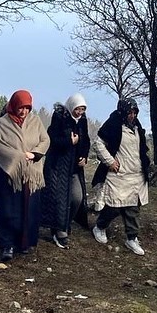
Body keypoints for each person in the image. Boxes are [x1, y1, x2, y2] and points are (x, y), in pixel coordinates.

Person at [0, 89, 49, 262]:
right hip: (9, 173)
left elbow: (45, 140)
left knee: (29, 209)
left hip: (30, 173)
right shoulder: (3, 123)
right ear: (14, 105)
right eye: (21, 107)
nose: (23, 111)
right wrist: (17, 157)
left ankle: (25, 242)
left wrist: (35, 153)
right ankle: (7, 244)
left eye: (27, 108)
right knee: (9, 209)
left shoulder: (36, 121)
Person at [91, 98, 150, 256]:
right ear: (122, 112)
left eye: (134, 112)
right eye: (129, 112)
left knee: (133, 208)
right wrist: (109, 161)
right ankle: (100, 227)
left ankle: (132, 238)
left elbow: (141, 149)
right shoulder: (114, 124)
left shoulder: (137, 127)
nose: (132, 115)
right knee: (114, 206)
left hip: (135, 175)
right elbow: (98, 143)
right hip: (118, 174)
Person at [42, 93, 90, 249]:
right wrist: (69, 141)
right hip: (58, 166)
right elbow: (52, 139)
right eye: (77, 109)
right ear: (71, 107)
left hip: (74, 167)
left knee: (77, 197)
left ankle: (65, 223)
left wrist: (84, 155)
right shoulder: (60, 117)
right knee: (59, 199)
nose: (80, 112)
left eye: (82, 109)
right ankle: (58, 231)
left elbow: (86, 140)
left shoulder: (82, 120)